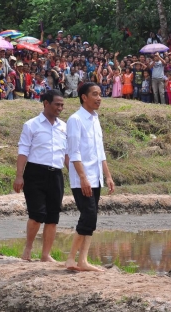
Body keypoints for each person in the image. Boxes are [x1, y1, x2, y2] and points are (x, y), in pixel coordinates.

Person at [65, 82, 115, 272]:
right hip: (82, 179)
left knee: (91, 218)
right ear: (84, 97)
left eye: (100, 94)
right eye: (94, 94)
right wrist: (83, 178)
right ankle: (71, 259)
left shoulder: (95, 118)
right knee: (88, 215)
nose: (99, 98)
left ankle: (82, 260)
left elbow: (99, 151)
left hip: (96, 177)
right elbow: (74, 152)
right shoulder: (75, 120)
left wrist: (108, 176)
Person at [13, 90, 67, 262]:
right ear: (46, 103)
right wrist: (19, 176)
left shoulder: (64, 127)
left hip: (56, 174)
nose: (60, 108)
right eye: (57, 104)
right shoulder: (31, 125)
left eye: (62, 105)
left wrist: (77, 175)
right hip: (35, 173)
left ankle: (46, 254)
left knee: (53, 216)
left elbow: (67, 153)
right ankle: (28, 249)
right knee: (37, 215)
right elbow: (23, 151)